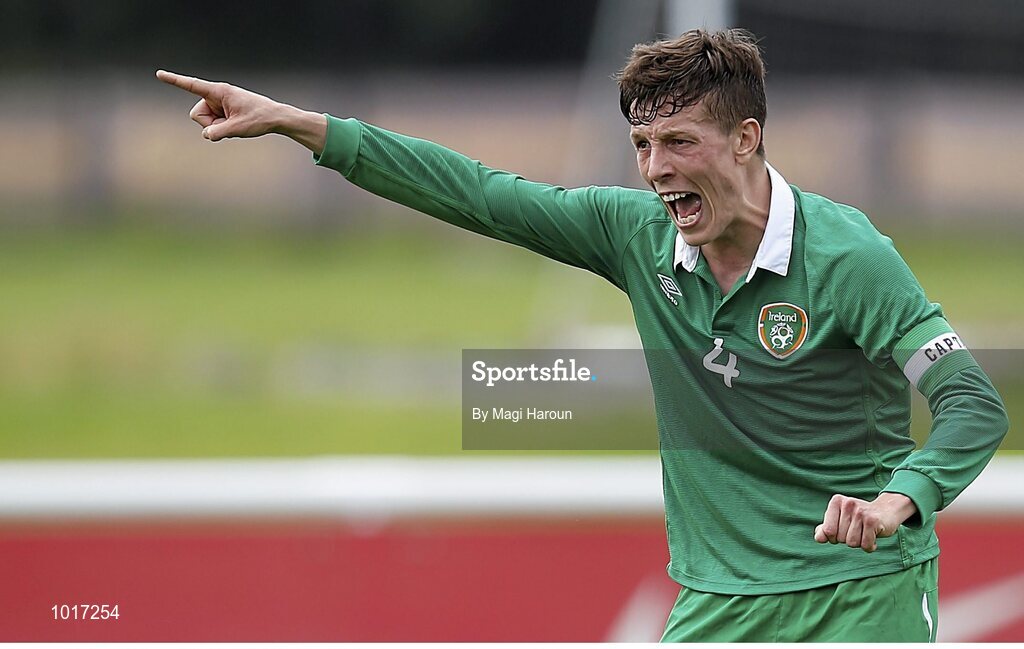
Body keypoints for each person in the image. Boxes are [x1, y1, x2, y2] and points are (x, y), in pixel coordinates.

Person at [156, 28, 1008, 642]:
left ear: (748, 140)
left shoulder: (850, 255)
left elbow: (972, 402)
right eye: (641, 143)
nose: (655, 168)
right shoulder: (634, 235)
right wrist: (305, 125)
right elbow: (478, 193)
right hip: (716, 601)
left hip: (858, 596)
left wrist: (902, 496)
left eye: (679, 141)